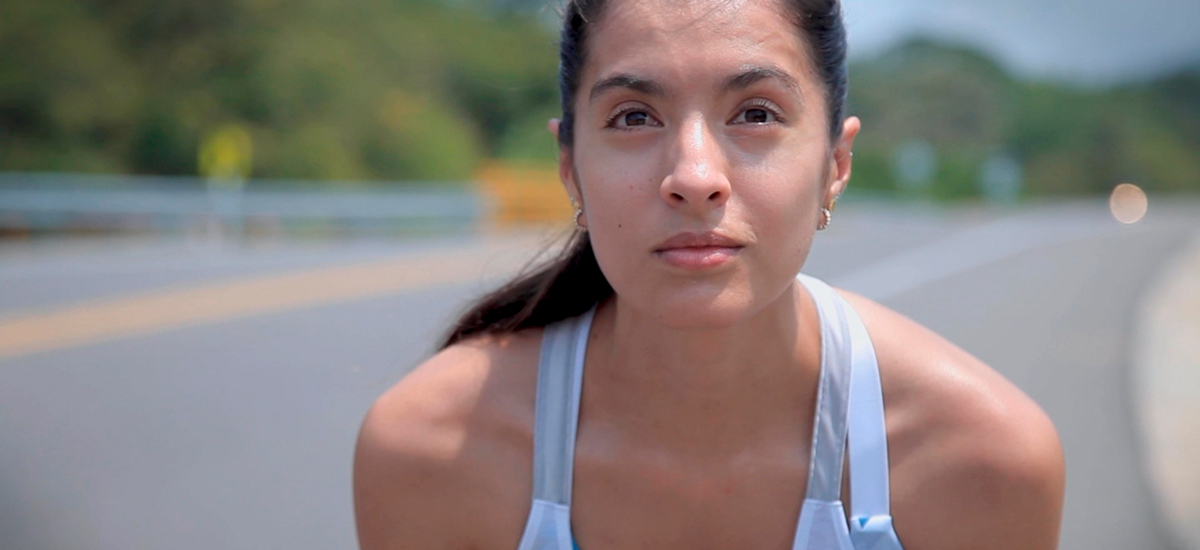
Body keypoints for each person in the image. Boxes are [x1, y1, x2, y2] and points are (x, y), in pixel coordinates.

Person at [353, 0, 1066, 547]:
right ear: (569, 164)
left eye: (755, 113)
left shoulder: (980, 458)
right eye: (634, 117)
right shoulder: (433, 449)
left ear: (835, 164)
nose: (694, 177)